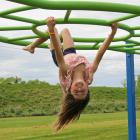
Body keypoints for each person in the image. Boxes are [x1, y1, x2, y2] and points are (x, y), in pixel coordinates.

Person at [23, 17, 118, 131]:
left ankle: (32, 46)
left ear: (70, 90)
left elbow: (59, 52)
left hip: (60, 57)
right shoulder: (90, 73)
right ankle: (33, 46)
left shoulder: (66, 73)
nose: (79, 88)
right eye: (82, 92)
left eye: (75, 92)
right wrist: (113, 32)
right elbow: (101, 51)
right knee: (65, 31)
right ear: (87, 88)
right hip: (72, 53)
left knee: (54, 31)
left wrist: (51, 29)